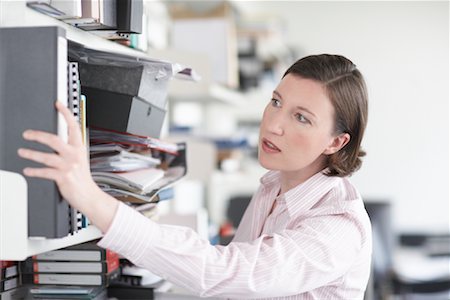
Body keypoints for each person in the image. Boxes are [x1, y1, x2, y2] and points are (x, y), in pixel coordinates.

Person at [18, 54, 371, 299]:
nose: (274, 124)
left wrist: (92, 199)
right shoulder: (273, 186)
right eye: (276, 102)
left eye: (302, 118)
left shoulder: (337, 227)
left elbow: (224, 273)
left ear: (336, 142)